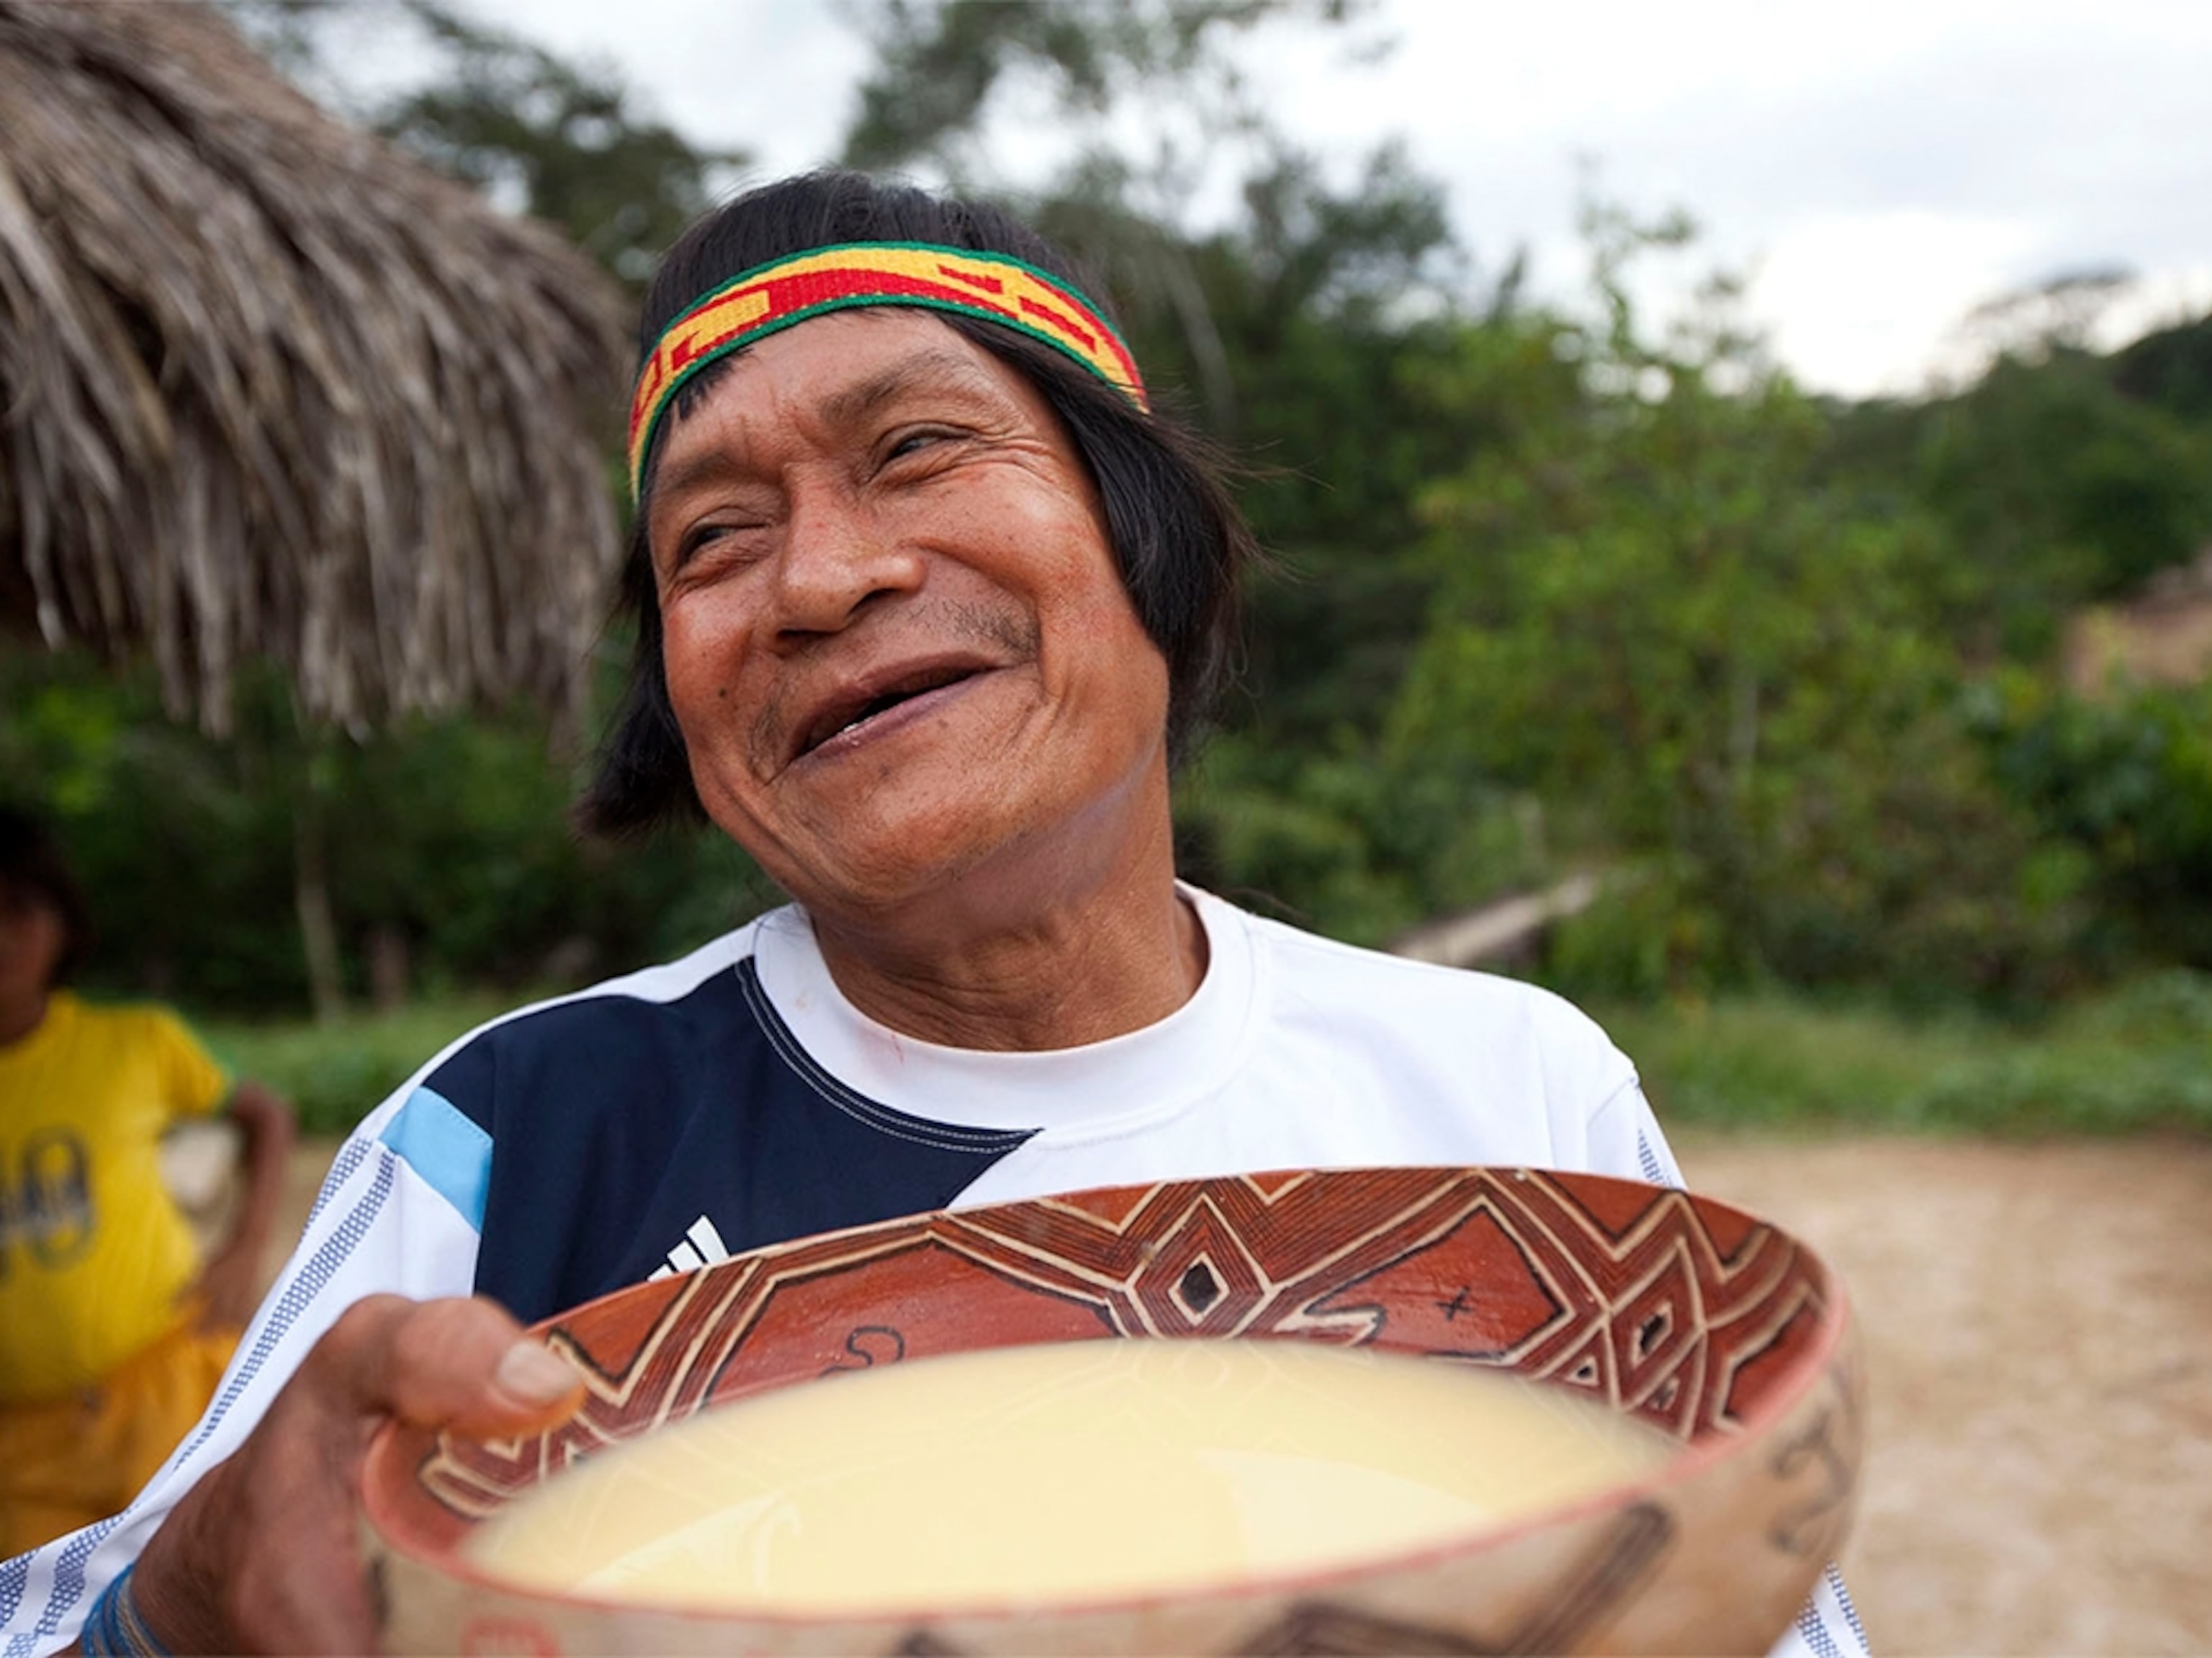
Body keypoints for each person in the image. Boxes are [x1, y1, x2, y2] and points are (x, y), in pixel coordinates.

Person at [0, 171, 1868, 1658]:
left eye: (917, 451)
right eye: (712, 540)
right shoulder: (521, 1140)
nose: (822, 575)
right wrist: (180, 1605)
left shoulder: (1504, 1081)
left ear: (1142, 538)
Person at [0, 809, 295, 1561]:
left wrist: (246, 1246)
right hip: (20, 1446)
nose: (1, 936)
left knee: (207, 1586)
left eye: (18, 910)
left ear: (62, 923)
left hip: (162, 1390)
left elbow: (267, 1114)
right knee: (47, 1626)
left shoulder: (136, 1043)